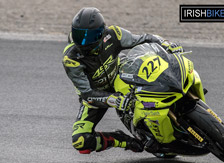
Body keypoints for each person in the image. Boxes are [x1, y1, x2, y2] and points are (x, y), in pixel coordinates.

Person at [62, 7, 183, 154]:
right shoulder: (71, 59)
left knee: (148, 98)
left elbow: (142, 39)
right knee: (80, 141)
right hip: (95, 97)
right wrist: (112, 99)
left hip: (121, 77)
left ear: (101, 32)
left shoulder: (113, 34)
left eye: (89, 36)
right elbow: (86, 93)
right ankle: (122, 140)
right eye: (79, 35)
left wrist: (165, 43)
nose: (83, 41)